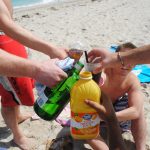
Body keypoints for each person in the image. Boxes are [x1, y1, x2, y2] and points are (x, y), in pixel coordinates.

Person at [0, 0, 68, 149]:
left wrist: (51, 49)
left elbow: (7, 24)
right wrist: (37, 70)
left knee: (17, 90)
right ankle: (17, 136)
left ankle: (17, 117)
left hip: (7, 38)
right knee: (8, 97)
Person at [88, 43, 146, 150]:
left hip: (112, 114)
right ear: (115, 58)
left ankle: (141, 148)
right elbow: (85, 73)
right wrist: (91, 64)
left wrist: (109, 117)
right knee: (84, 126)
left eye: (131, 61)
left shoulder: (132, 80)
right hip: (97, 111)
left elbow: (136, 111)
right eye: (123, 59)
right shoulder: (102, 72)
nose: (127, 65)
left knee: (140, 108)